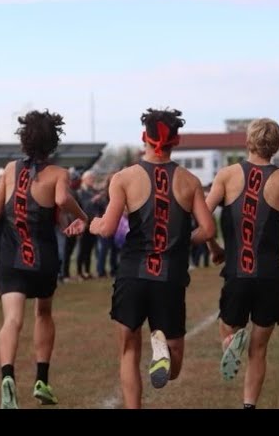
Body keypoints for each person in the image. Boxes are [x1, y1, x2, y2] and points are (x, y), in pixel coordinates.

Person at [89, 108, 215, 409]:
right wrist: (182, 241)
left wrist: (90, 223)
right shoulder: (189, 181)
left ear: (144, 138)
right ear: (177, 141)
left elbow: (106, 229)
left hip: (132, 275)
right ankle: (163, 353)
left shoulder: (123, 178)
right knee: (173, 368)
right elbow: (208, 229)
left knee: (129, 351)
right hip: (169, 277)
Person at [0, 110, 88, 409]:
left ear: (24, 139)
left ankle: (7, 376)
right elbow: (60, 201)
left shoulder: (10, 170)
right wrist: (82, 216)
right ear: (53, 141)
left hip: (11, 256)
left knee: (12, 319)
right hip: (42, 257)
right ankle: (42, 379)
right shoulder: (59, 174)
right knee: (43, 313)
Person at [204, 118, 279, 409]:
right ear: (276, 145)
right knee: (259, 350)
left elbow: (204, 218)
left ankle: (229, 344)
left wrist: (214, 246)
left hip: (238, 271)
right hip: (270, 275)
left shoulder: (226, 175)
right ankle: (249, 406)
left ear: (248, 141)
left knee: (228, 328)